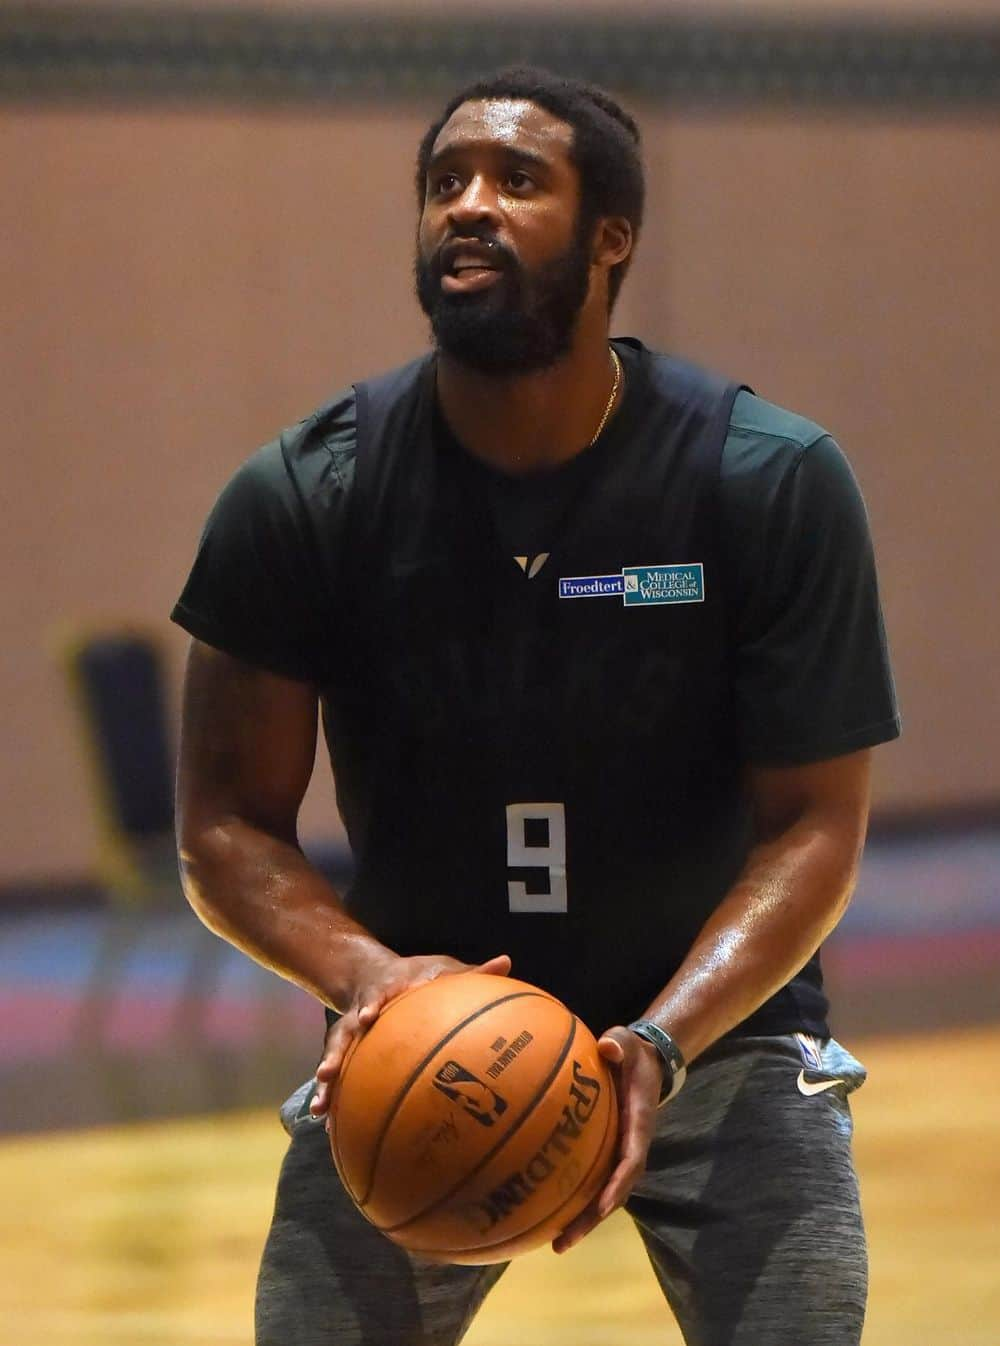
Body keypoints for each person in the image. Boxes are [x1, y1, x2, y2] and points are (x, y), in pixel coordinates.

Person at [174, 65, 899, 1346]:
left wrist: (660, 1042)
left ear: (612, 236)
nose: (469, 204)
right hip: (425, 1039)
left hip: (711, 1038)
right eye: (444, 181)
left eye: (517, 180)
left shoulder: (765, 480)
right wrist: (370, 979)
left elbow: (817, 828)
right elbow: (224, 828)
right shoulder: (305, 494)